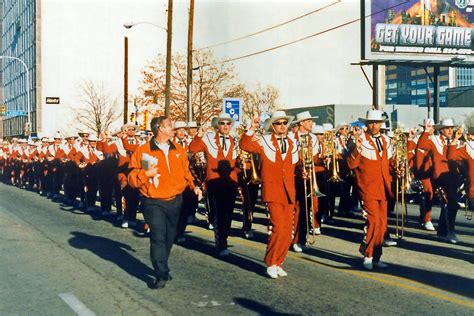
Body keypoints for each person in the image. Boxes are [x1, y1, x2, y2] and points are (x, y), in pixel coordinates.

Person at [128, 116, 201, 289]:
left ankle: (163, 265)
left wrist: (194, 186)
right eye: (169, 126)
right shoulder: (144, 150)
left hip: (175, 200)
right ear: (160, 129)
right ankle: (161, 272)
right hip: (153, 201)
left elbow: (186, 172)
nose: (173, 128)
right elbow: (132, 178)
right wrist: (145, 174)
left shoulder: (178, 149)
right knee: (158, 236)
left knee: (170, 236)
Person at [240, 110, 298, 278]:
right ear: (272, 126)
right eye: (278, 123)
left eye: (284, 123)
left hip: (289, 192)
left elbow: (296, 164)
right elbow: (245, 145)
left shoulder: (293, 143)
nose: (282, 126)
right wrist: (251, 129)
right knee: (278, 227)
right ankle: (271, 262)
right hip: (273, 191)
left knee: (288, 231)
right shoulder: (265, 141)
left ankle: (279, 261)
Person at [347, 110, 395, 270]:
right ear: (367, 124)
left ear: (381, 124)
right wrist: (356, 149)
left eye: (377, 122)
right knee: (373, 222)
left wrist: (398, 169)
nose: (374, 126)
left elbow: (391, 163)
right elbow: (351, 165)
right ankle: (367, 254)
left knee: (382, 225)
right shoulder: (361, 140)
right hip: (367, 188)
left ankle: (376, 256)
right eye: (371, 123)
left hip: (384, 188)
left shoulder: (387, 141)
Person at [189, 113, 239, 256]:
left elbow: (236, 164)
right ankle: (221, 244)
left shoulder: (234, 140)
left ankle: (223, 239)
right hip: (214, 182)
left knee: (228, 215)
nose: (225, 126)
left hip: (230, 182)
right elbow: (193, 149)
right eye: (222, 123)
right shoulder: (208, 138)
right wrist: (199, 135)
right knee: (218, 213)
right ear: (218, 125)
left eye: (228, 124)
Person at [417, 118, 460, 243]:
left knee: (451, 204)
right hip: (440, 177)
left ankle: (443, 231)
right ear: (441, 130)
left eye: (452, 128)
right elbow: (421, 145)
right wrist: (426, 131)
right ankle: (449, 231)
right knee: (449, 202)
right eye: (447, 128)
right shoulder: (434, 140)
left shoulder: (456, 141)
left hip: (453, 177)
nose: (450, 130)